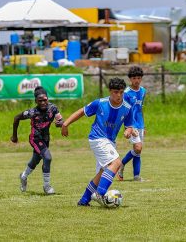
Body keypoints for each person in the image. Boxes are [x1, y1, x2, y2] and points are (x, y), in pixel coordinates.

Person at [61, 77, 135, 206]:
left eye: (121, 92)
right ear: (110, 91)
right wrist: (65, 124)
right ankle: (100, 194)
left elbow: (129, 125)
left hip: (110, 142)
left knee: (102, 172)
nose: (118, 95)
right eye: (115, 92)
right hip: (97, 138)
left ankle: (84, 200)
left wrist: (128, 131)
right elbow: (82, 112)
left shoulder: (127, 107)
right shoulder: (100, 103)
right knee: (116, 163)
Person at [11, 86, 63, 195]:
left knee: (35, 160)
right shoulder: (31, 112)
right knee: (47, 158)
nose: (43, 102)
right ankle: (47, 186)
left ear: (48, 99)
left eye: (45, 100)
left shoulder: (53, 108)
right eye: (40, 101)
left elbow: (60, 121)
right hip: (35, 138)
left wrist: (60, 124)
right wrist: (14, 136)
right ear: (36, 101)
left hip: (45, 139)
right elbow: (16, 118)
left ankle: (23, 176)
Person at [117, 66, 146, 182]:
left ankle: (136, 176)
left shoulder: (143, 91)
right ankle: (121, 164)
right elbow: (125, 110)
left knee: (138, 151)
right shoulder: (127, 93)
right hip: (131, 125)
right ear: (130, 79)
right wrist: (127, 127)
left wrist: (144, 126)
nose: (137, 80)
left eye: (139, 78)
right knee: (138, 148)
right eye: (134, 78)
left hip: (140, 124)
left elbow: (141, 109)